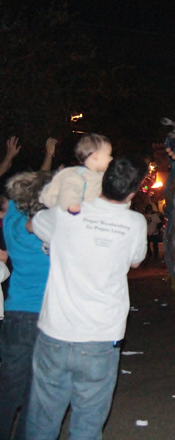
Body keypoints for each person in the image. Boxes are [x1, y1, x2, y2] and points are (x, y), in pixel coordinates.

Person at [26, 157, 147, 440]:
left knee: (42, 422)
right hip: (100, 338)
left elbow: (33, 225)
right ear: (132, 192)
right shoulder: (135, 223)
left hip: (55, 333)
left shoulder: (67, 212)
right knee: (88, 426)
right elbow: (136, 260)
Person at [0, 171, 53, 440]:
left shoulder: (9, 219)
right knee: (36, 390)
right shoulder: (48, 227)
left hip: (16, 312)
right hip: (47, 315)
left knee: (8, 386)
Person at [39, 133, 113, 214]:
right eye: (109, 155)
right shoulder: (77, 175)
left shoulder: (103, 177)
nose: (111, 158)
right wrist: (71, 203)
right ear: (95, 156)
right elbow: (69, 189)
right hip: (75, 217)